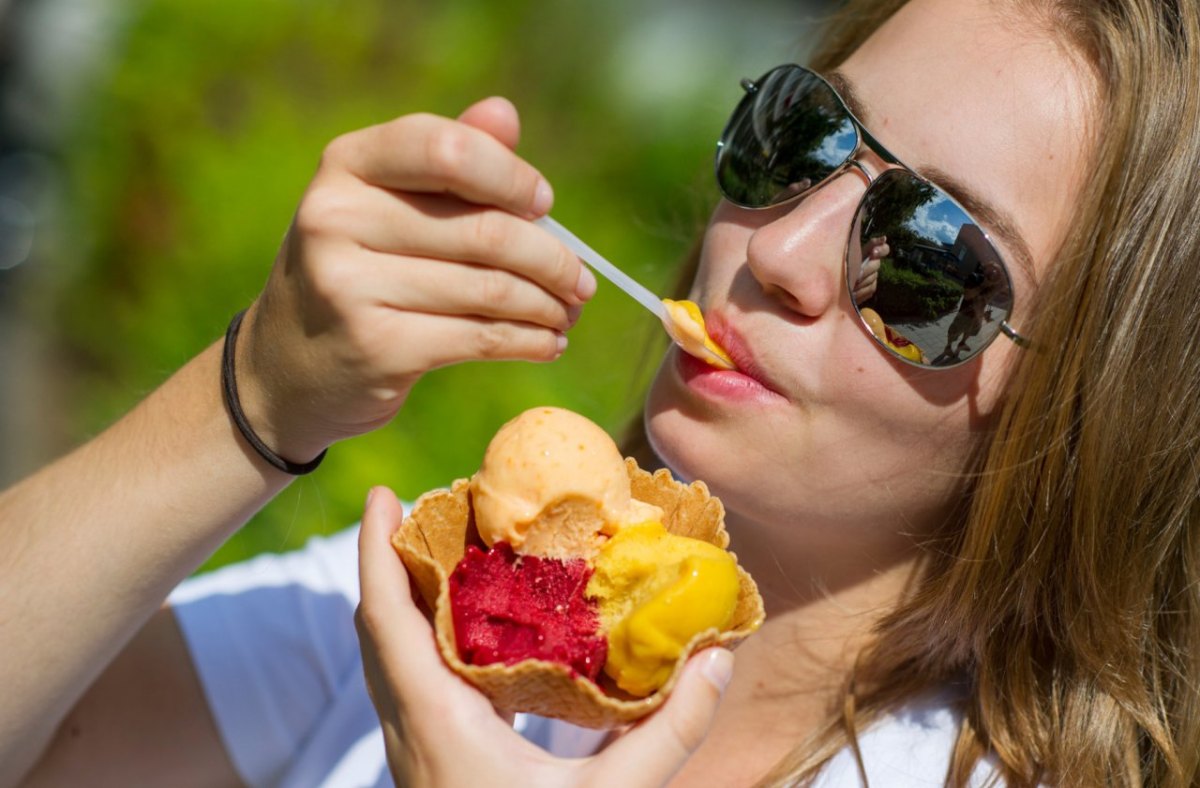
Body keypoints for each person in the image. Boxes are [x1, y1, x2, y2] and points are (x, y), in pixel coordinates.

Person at [6, 0, 1200, 784]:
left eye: (935, 258)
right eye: (806, 137)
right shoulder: (471, 618)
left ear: (1099, 419)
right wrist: (253, 395)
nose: (777, 253)